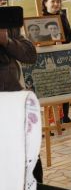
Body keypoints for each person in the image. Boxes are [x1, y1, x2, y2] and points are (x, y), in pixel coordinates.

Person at [0, 17, 40, 181]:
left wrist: (6, 41)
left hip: (13, 99)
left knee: (27, 153)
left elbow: (30, 55)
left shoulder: (7, 25)